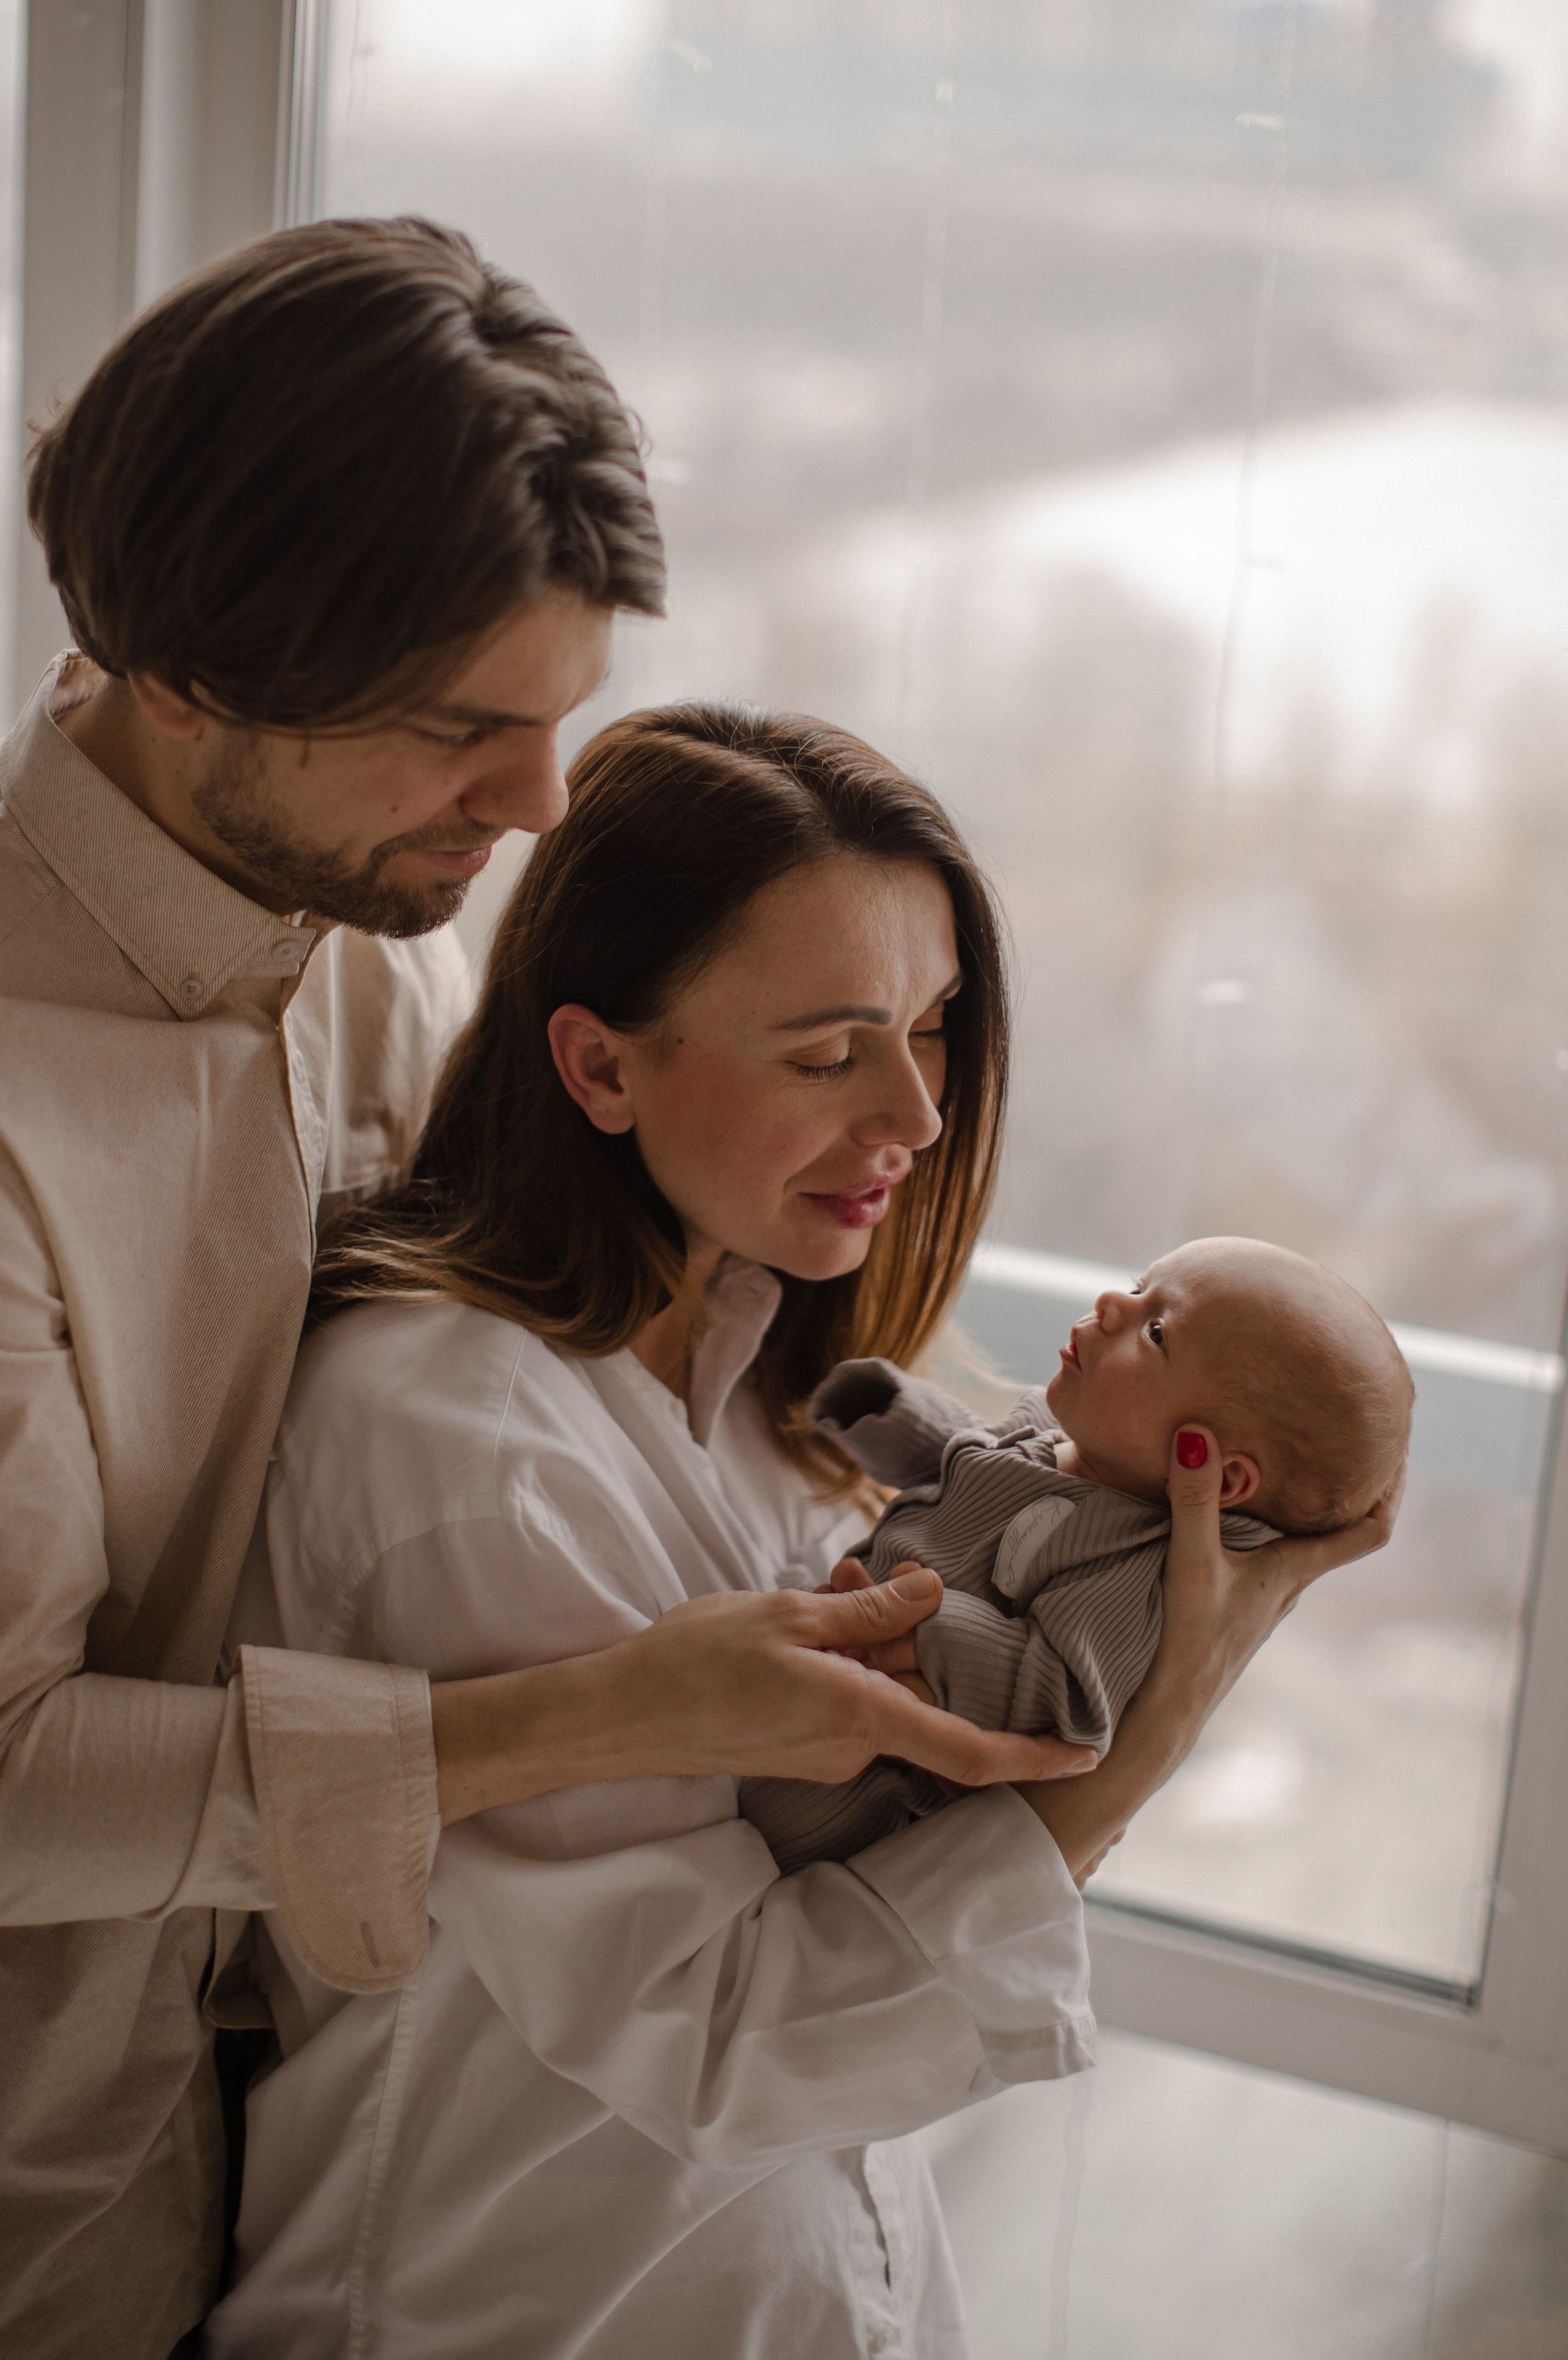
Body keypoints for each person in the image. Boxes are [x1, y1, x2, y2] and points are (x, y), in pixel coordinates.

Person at [0, 220, 1084, 2360]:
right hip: (17, 2210)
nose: (539, 804)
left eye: (562, 718)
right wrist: (612, 1713)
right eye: (468, 729)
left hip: (355, 2126)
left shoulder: (368, 914)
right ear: (186, 674)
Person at [207, 705, 1396, 2360]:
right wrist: (1127, 1759)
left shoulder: (772, 1370)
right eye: (829, 1049)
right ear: (599, 1063)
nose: (914, 1111)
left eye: (928, 1027)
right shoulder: (457, 1446)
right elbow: (723, 2038)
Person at [742, 1236, 1414, 1871]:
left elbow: (1063, 1695)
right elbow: (969, 1464)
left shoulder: (1133, 1565)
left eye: (1156, 1332)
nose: (1110, 1306)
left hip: (856, 1802)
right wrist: (891, 1413)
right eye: (1136, 1288)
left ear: (1221, 1474)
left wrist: (925, 1634)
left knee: (765, 1811)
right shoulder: (1059, 1436)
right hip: (819, 1681)